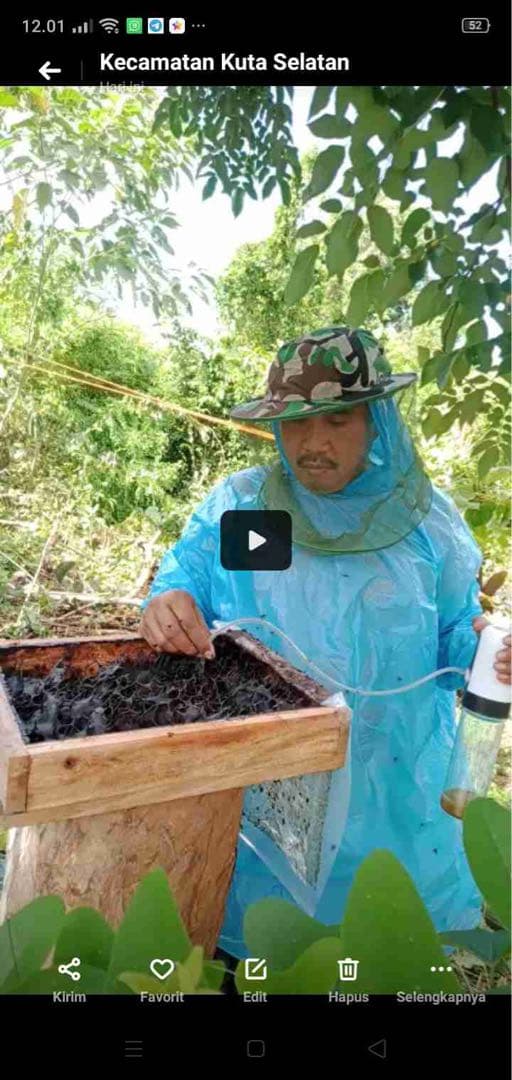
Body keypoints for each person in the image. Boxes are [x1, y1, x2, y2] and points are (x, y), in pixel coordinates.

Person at [140, 325, 511, 960]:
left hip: (394, 793)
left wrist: (487, 656)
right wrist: (166, 606)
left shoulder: (425, 524)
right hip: (268, 794)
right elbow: (188, 585)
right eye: (295, 423)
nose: (313, 442)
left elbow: (453, 637)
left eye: (338, 420)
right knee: (266, 945)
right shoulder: (249, 510)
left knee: (384, 945)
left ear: (377, 422)